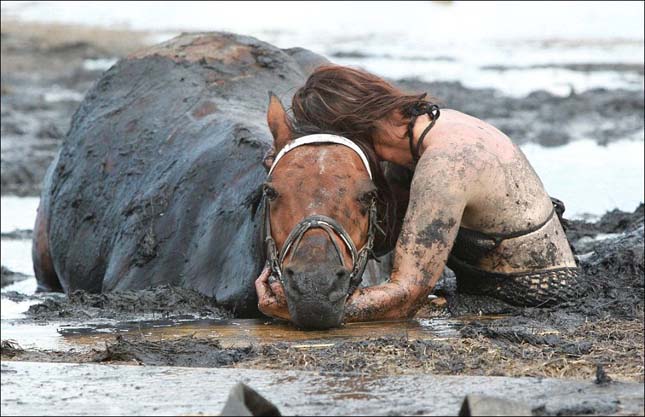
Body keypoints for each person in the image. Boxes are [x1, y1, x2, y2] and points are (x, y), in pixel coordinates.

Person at [256, 65, 579, 323]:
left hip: (528, 299)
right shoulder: (429, 133)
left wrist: (305, 308)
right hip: (492, 286)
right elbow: (384, 242)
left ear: (353, 128)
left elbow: (407, 295)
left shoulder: (447, 164)